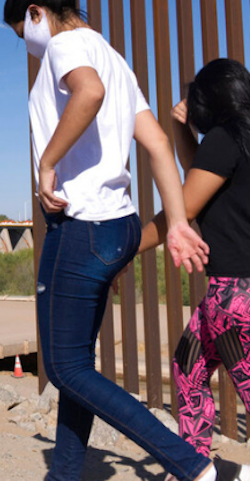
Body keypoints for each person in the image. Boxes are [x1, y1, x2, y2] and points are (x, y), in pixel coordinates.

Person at [2, 0, 248, 481]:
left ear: (39, 13)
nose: (23, 39)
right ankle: (65, 473)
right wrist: (179, 222)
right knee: (77, 368)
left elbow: (87, 94)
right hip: (117, 226)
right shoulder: (114, 57)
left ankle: (191, 464)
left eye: (20, 28)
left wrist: (46, 162)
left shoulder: (68, 45)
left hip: (80, 227)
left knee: (64, 367)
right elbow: (158, 142)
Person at [138, 59, 250, 461]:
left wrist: (126, 247)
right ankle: (193, 464)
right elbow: (201, 172)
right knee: (188, 368)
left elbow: (180, 210)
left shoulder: (226, 138)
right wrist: (181, 129)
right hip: (229, 296)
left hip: (234, 298)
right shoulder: (238, 139)